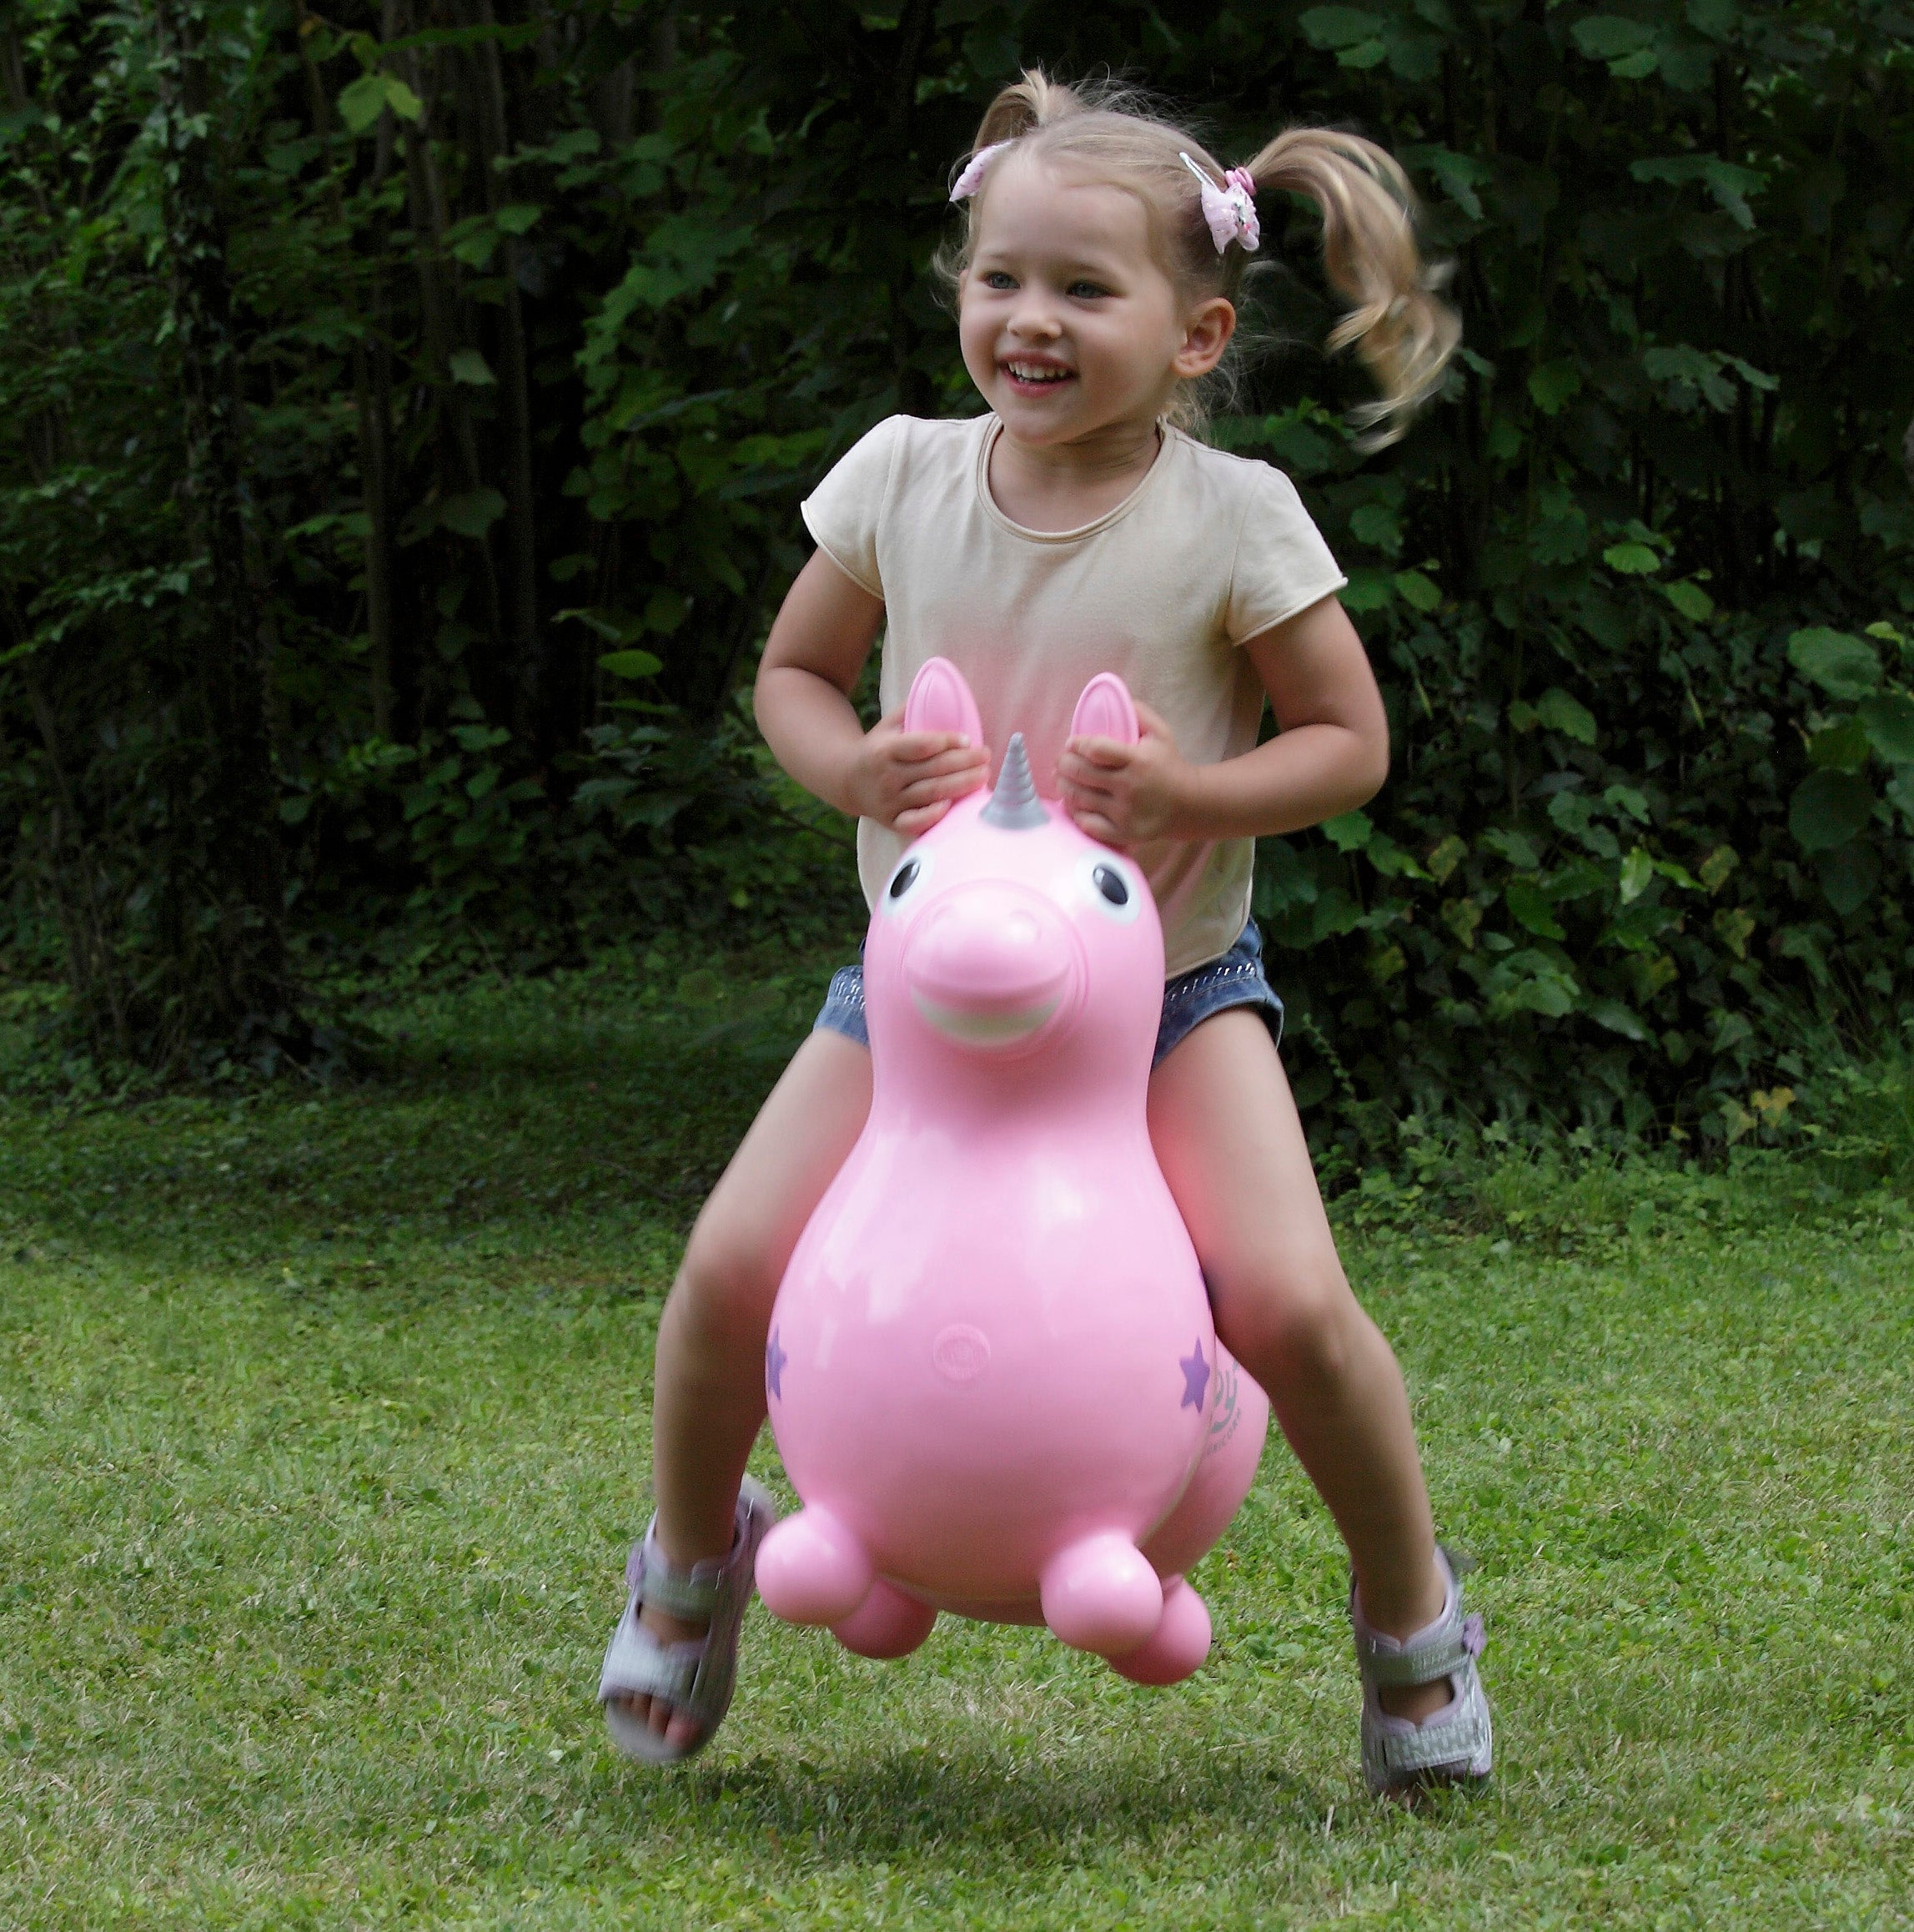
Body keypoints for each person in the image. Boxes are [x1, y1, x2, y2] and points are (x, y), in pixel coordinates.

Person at [599, 69, 1490, 1797]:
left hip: (1166, 993)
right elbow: (787, 677)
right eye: (999, 279)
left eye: (1085, 290)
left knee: (1291, 1306)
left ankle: (1410, 1620)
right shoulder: (897, 478)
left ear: (1193, 331)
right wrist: (849, 760)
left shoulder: (1231, 520)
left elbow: (1348, 747)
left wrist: (1192, 802)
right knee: (723, 1271)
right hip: (919, 1000)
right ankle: (691, 1560)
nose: (1029, 319)